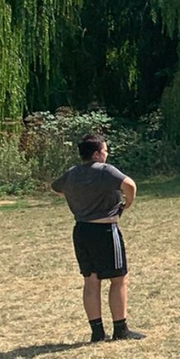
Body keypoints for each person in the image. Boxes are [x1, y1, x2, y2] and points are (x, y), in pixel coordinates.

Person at [51, 133, 141, 342]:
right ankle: (120, 329)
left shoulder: (72, 173)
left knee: (91, 281)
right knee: (118, 279)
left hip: (81, 231)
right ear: (97, 154)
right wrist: (127, 203)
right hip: (105, 231)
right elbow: (130, 185)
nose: (106, 154)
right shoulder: (104, 170)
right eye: (105, 151)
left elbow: (56, 188)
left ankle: (97, 332)